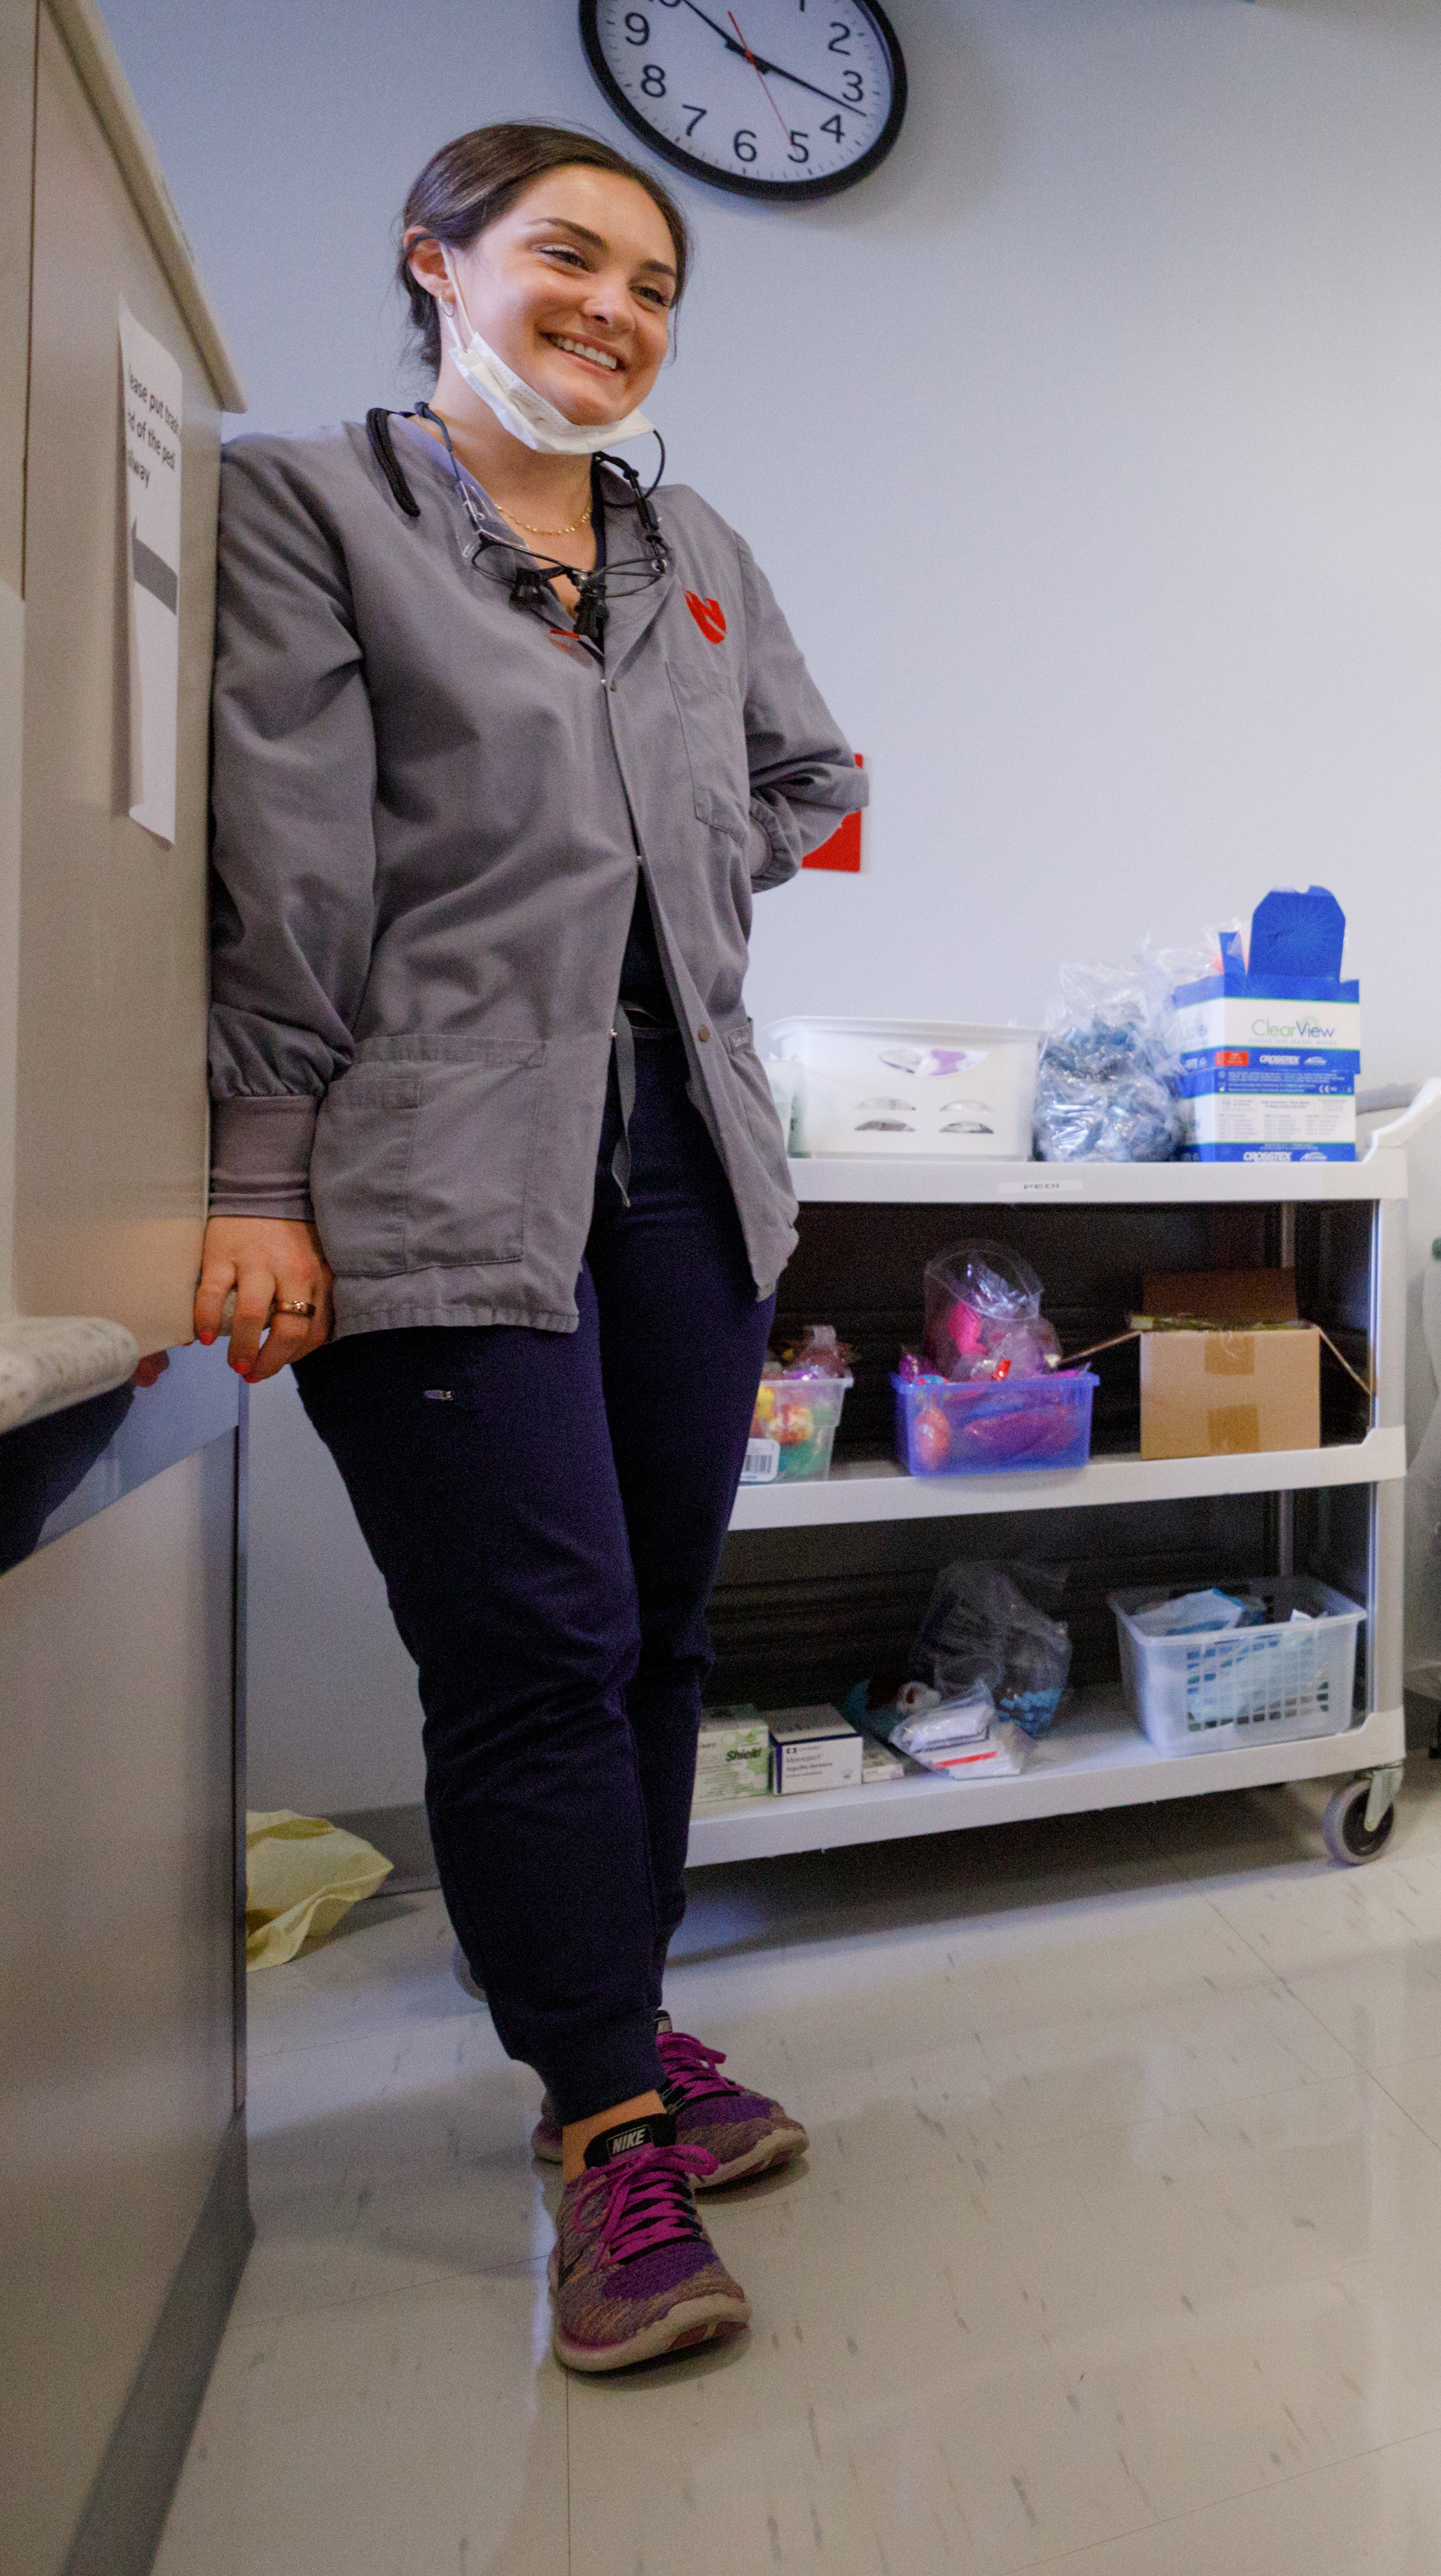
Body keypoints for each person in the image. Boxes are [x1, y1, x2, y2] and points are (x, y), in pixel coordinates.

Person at [200, 124, 862, 2375]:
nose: (615, 308)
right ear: (439, 266)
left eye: (655, 284)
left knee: (661, 1629)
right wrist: (257, 1177)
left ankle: (621, 2020)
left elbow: (810, 774)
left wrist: (663, 869)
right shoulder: (313, 506)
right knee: (536, 1643)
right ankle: (600, 2134)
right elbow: (287, 866)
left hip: (689, 1157)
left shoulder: (693, 548)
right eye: (567, 255)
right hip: (433, 1157)